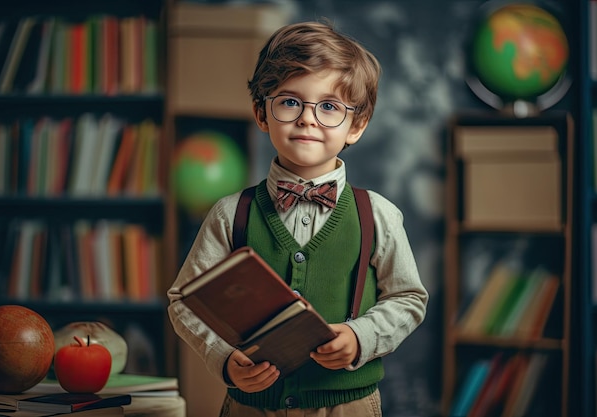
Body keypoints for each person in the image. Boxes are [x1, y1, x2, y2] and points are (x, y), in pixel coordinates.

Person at [167, 20, 428, 417]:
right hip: (249, 406)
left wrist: (362, 337)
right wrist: (222, 357)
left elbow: (408, 298)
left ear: (356, 126)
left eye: (328, 106)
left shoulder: (379, 214)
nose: (308, 119)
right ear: (261, 113)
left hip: (348, 406)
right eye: (290, 102)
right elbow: (183, 301)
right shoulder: (229, 213)